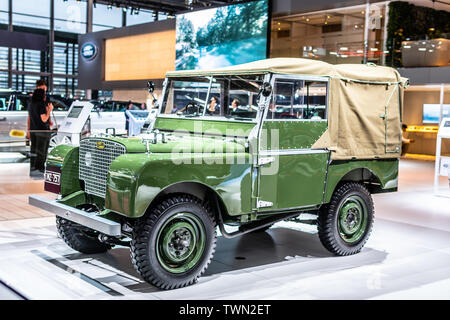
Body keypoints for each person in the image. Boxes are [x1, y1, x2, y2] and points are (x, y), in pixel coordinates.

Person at [29, 88, 53, 173]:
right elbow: (44, 119)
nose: (45, 96)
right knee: (42, 150)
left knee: (34, 149)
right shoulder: (41, 104)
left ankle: (33, 166)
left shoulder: (31, 104)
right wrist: (49, 110)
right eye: (44, 94)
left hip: (33, 130)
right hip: (42, 131)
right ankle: (40, 167)